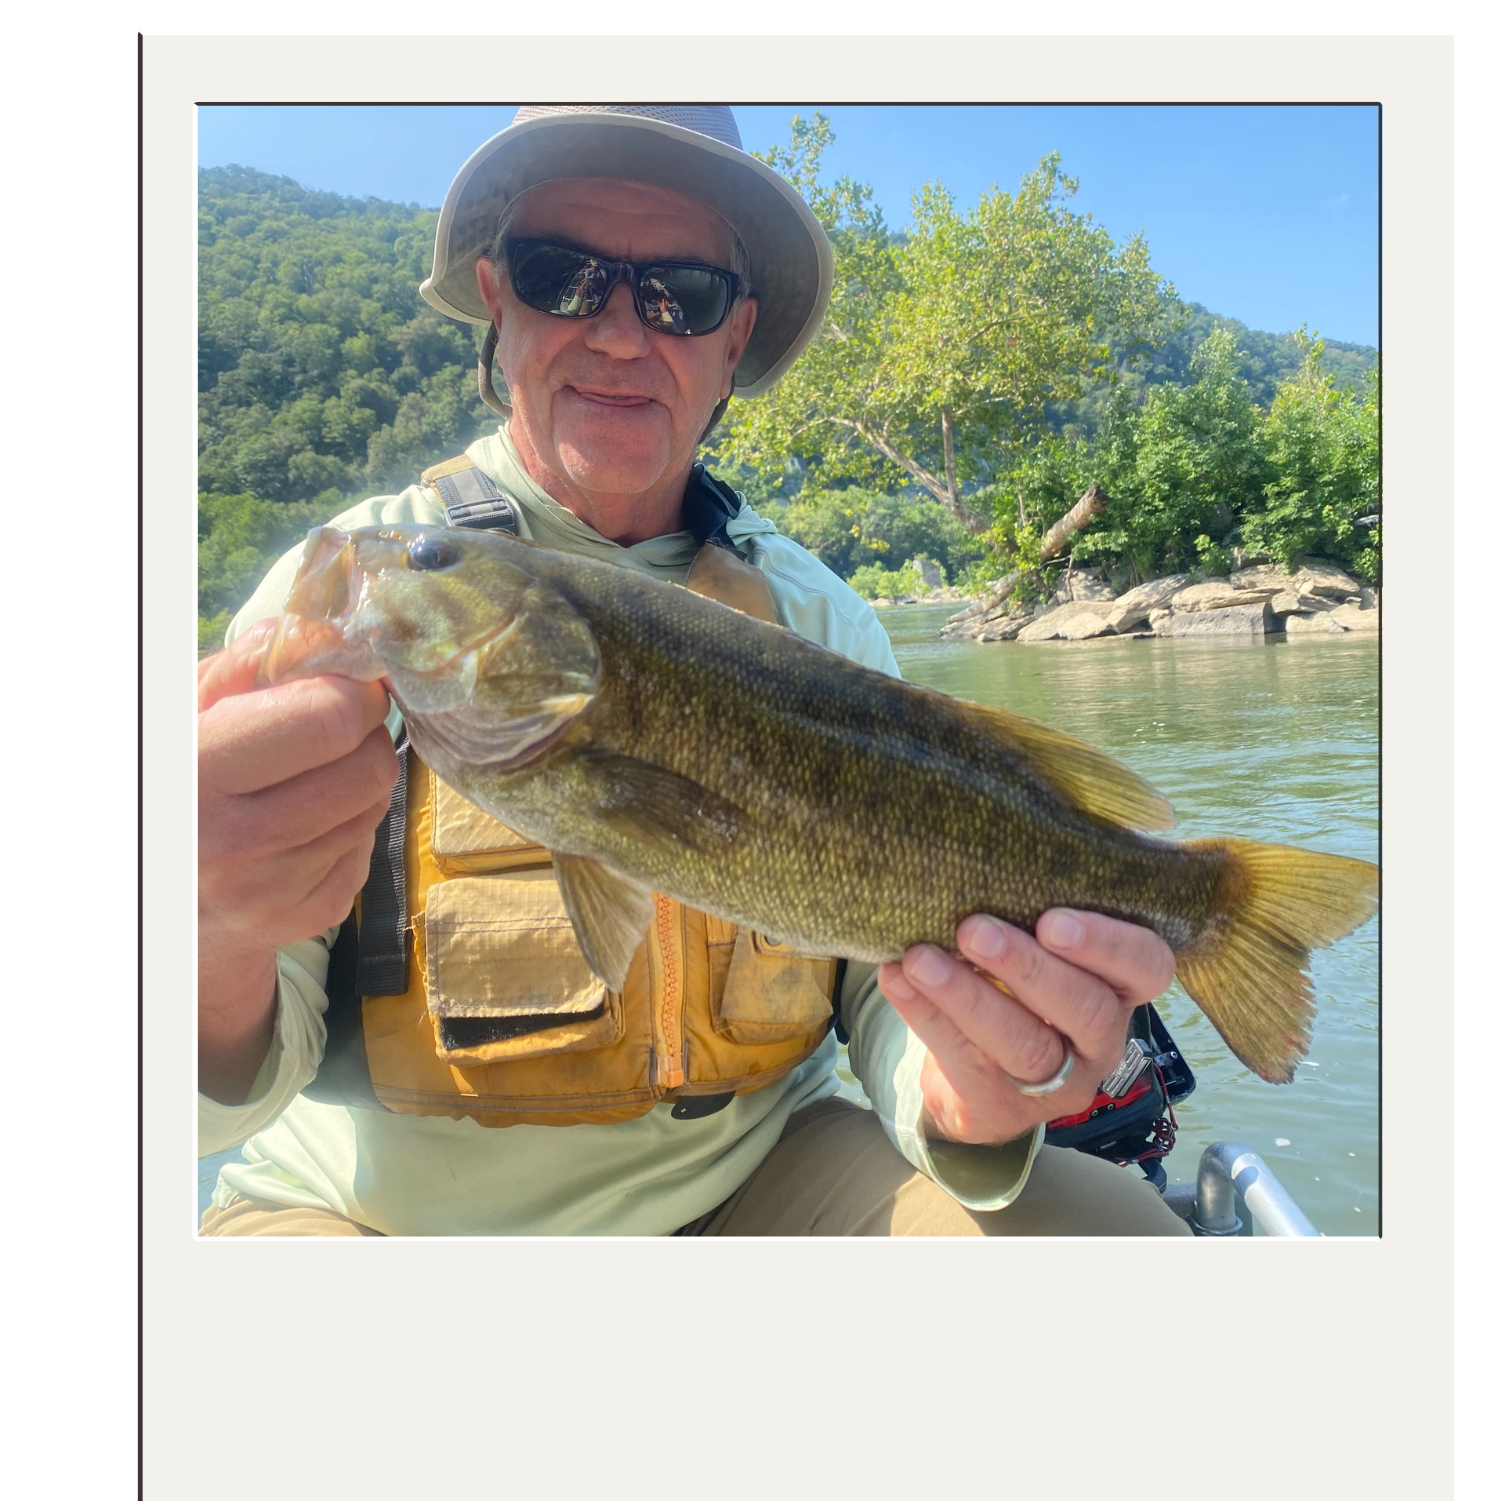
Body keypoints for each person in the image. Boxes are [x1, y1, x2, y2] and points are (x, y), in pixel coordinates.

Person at [197, 104, 1189, 1238]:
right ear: (495, 297)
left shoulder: (818, 615)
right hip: (370, 1216)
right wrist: (202, 924)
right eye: (562, 274)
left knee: (1123, 1246)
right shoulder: (355, 590)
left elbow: (890, 1009)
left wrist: (975, 1092)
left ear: (735, 337)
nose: (621, 332)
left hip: (756, 1185)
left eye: (680, 294)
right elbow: (218, 1101)